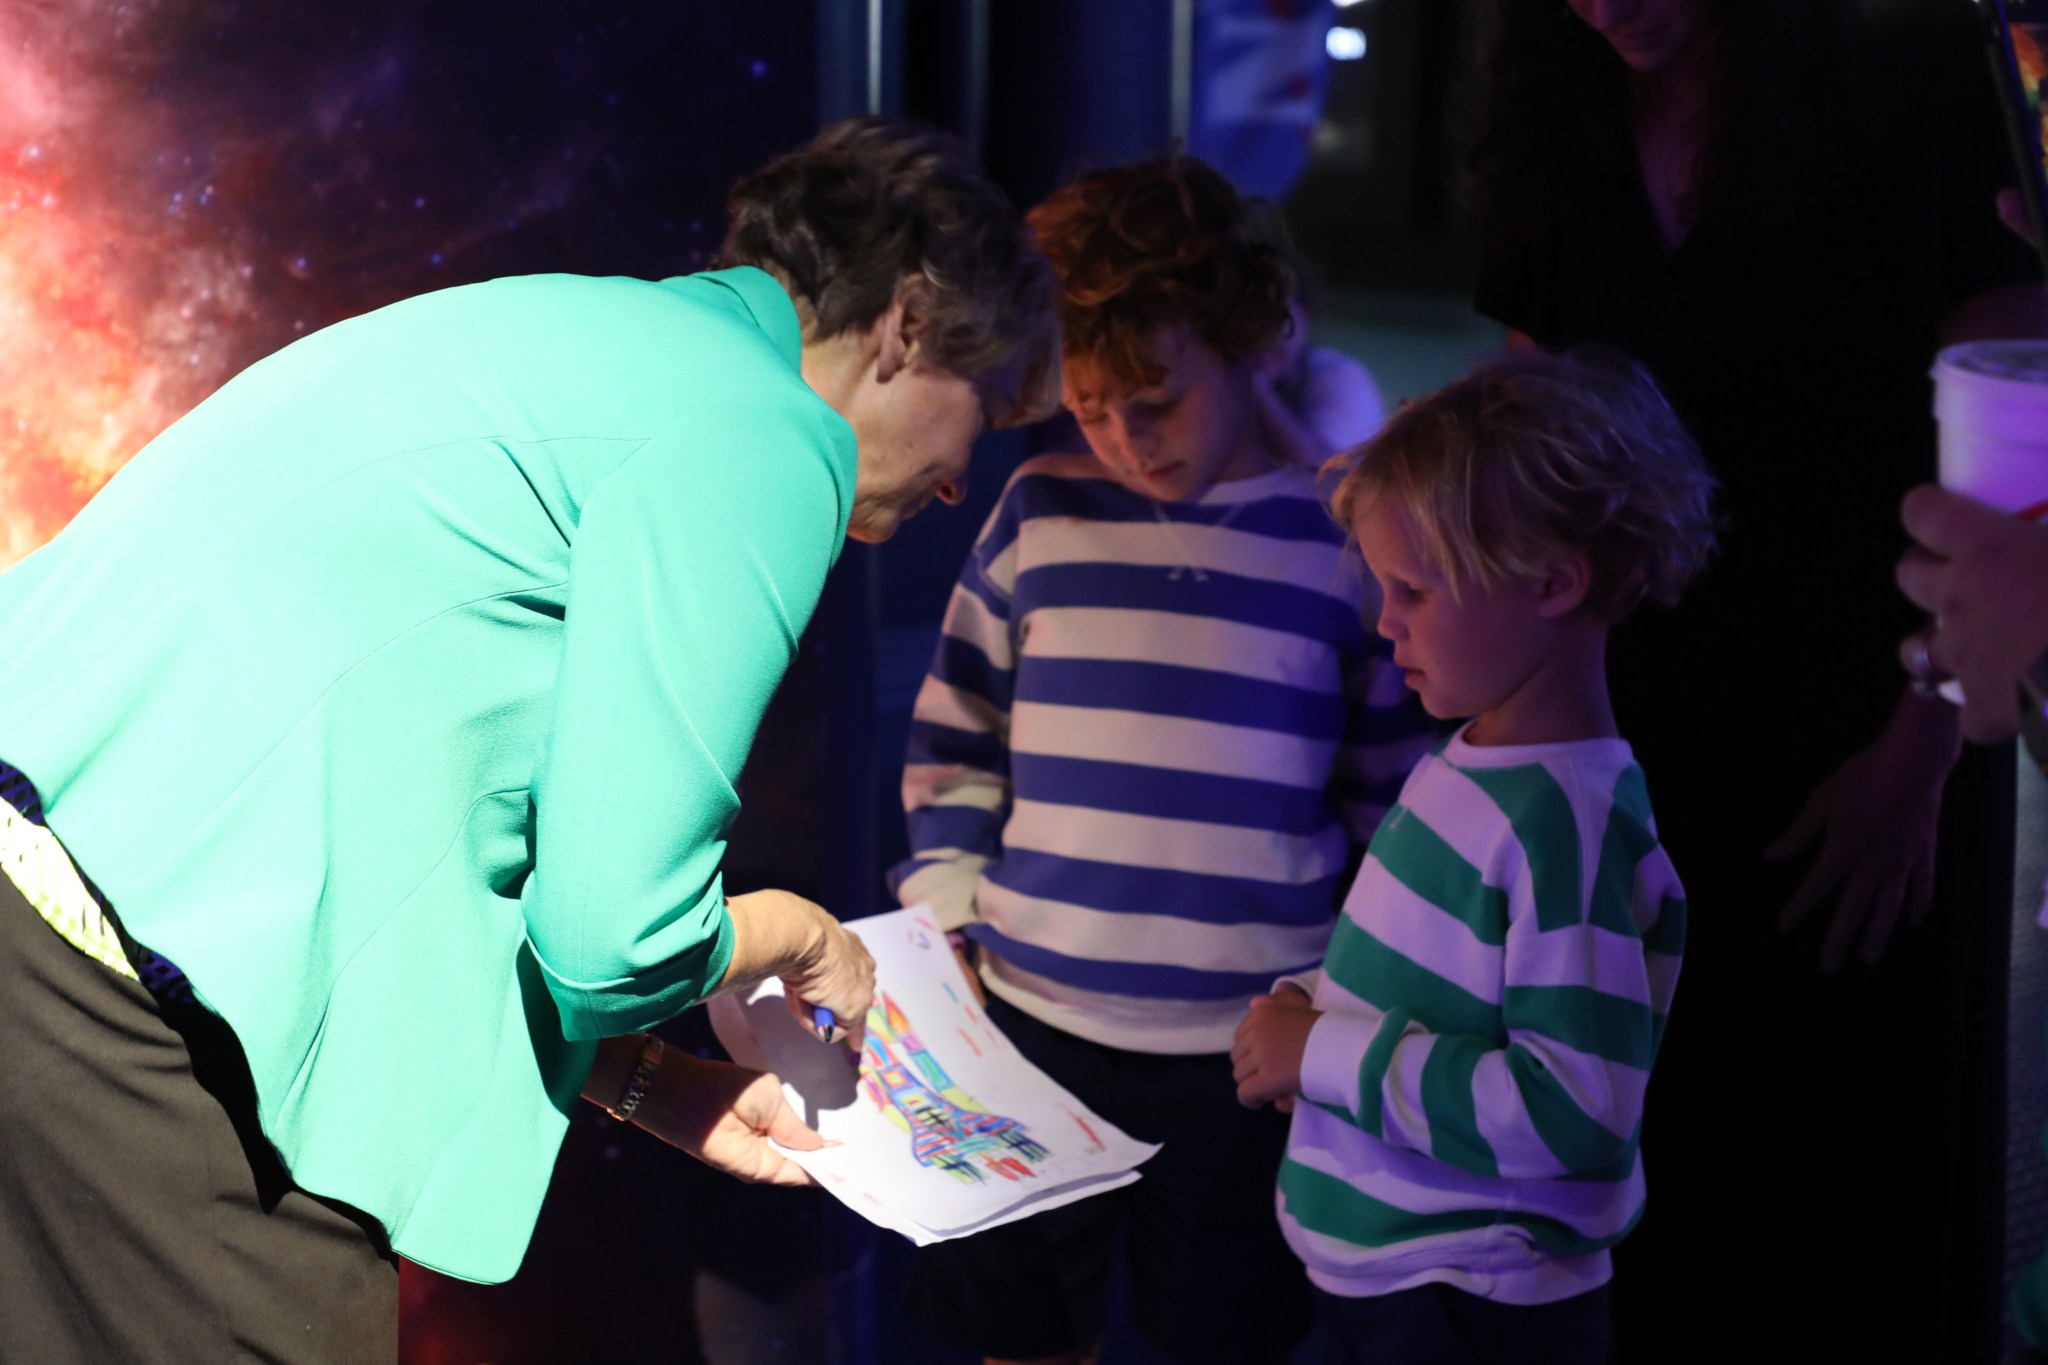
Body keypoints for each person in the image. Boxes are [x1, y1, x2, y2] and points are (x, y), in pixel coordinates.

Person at [0, 115, 1059, 1363]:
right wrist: (795, 931)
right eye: (979, 421)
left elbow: (421, 800)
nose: (954, 487)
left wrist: (647, 1086)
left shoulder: (583, 334)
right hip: (127, 990)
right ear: (910, 322)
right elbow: (613, 940)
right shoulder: (760, 431)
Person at [1466, 1, 2043, 1357]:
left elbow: (2012, 445)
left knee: (1848, 1165)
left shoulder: (1908, 81)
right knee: (1643, 1120)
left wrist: (1921, 749)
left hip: (1880, 694)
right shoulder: (1558, 101)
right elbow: (1532, 408)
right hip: (1633, 715)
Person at [887, 155, 1436, 1365]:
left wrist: (1332, 997)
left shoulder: (1339, 541)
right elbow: (954, 739)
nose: (1125, 438)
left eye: (1158, 398)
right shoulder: (1037, 509)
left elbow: (1391, 811)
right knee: (1017, 1336)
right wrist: (948, 918)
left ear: (1247, 339)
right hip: (1021, 1027)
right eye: (1090, 407)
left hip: (1243, 1063)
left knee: (1220, 1337)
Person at [1231, 346, 1715, 1365]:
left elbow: (1573, 1114)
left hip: (1467, 1297)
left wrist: (1320, 1053)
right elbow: (1426, 974)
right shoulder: (1474, 759)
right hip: (1405, 1275)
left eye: (1411, 589)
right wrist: (1309, 1008)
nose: (1383, 622)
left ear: (1551, 581)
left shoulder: (1562, 827)